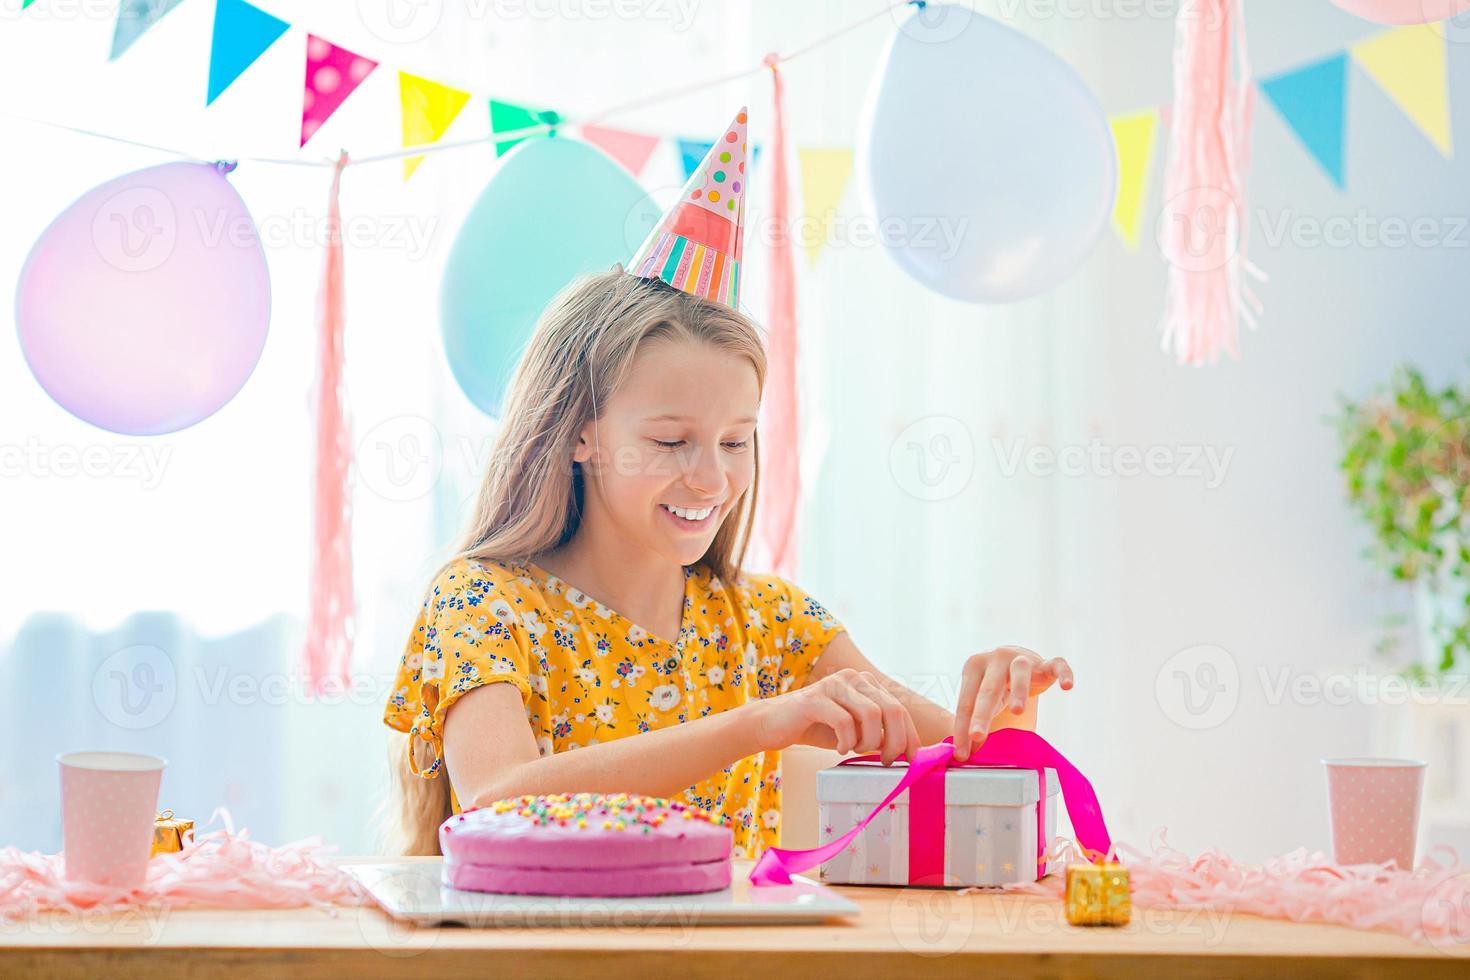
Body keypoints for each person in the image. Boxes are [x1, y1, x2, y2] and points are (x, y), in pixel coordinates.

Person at [381, 107, 1073, 860]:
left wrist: (1003, 710)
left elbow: (986, 778)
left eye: (736, 441)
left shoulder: (772, 624)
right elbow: (496, 798)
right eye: (671, 441)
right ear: (579, 432)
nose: (711, 477)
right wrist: (757, 724)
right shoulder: (484, 602)